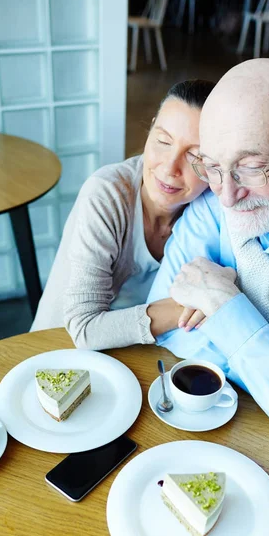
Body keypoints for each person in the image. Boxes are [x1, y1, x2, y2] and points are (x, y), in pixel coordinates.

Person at [148, 58, 269, 456]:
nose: (226, 196)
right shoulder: (214, 199)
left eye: (252, 167)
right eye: (213, 167)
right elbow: (168, 330)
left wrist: (225, 307)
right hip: (232, 437)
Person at [31, 79, 215, 349]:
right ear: (150, 129)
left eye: (195, 156)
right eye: (163, 141)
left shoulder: (211, 207)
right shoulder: (107, 194)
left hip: (140, 355)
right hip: (57, 350)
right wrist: (190, 306)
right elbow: (85, 329)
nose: (169, 167)